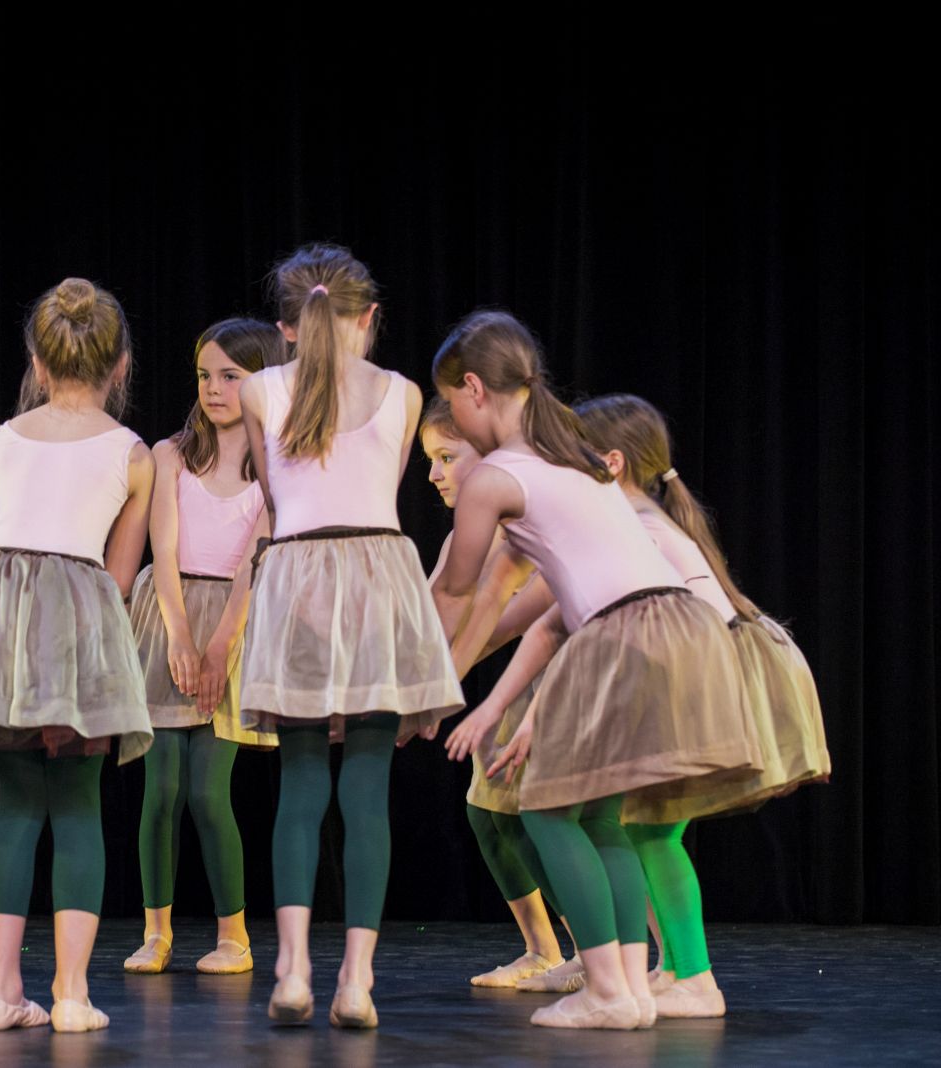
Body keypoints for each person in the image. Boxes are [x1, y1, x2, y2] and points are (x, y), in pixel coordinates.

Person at [436, 310, 758, 1029]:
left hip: (623, 632)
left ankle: (610, 991)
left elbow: (462, 589)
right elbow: (511, 603)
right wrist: (459, 696)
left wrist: (414, 682)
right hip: (673, 626)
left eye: (452, 404)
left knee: (546, 807)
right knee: (603, 814)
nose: (454, 420)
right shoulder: (574, 462)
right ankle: (633, 989)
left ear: (475, 389)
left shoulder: (497, 475)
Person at [0, 278, 154, 1034]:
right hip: (76, 613)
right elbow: (116, 575)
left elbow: (7, 535)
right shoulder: (133, 453)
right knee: (76, 805)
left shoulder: (3, 439)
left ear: (37, 364)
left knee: (16, 806)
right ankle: (71, 994)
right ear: (121, 366)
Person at [238, 245, 464, 1029]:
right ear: (369, 319)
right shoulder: (401, 393)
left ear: (289, 327)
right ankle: (356, 981)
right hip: (377, 577)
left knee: (300, 786)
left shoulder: (263, 389)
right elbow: (386, 488)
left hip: (299, 572)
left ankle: (293, 970)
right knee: (367, 789)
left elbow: (274, 495)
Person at [576, 393, 830, 1018]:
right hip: (710, 665)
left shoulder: (638, 527)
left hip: (717, 670)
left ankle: (696, 977)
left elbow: (689, 624)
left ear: (610, 463)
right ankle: (676, 967)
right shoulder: (643, 520)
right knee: (645, 828)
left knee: (652, 830)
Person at [124, 318, 282, 977]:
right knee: (160, 791)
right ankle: (156, 932)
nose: (213, 389)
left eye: (230, 376)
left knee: (207, 793)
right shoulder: (170, 455)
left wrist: (218, 648)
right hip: (169, 617)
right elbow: (162, 551)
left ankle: (233, 936)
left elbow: (254, 563)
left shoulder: (276, 466)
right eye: (204, 375)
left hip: (234, 627)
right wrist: (180, 637)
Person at [419, 400, 568, 988]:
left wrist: (438, 683)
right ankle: (544, 949)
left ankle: (590, 949)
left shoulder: (527, 521)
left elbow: (502, 625)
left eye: (447, 458)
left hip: (552, 682)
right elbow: (439, 621)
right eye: (430, 460)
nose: (434, 474)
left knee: (540, 820)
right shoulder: (467, 534)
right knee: (488, 817)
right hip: (508, 689)